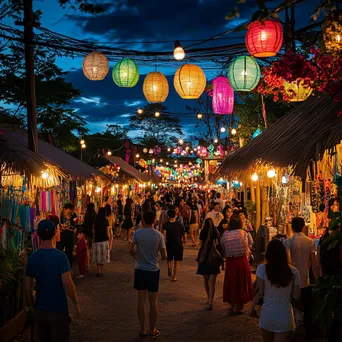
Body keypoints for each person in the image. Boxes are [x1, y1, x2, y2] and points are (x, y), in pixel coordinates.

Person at [24, 219, 80, 342]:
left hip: (41, 309)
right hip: (58, 310)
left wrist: (33, 306)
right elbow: (68, 283)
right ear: (55, 234)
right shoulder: (61, 257)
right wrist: (76, 303)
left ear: (38, 235)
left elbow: (27, 288)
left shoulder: (33, 258)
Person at [249, 239, 301, 342]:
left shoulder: (262, 269)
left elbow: (260, 293)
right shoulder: (294, 272)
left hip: (267, 314)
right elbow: (296, 296)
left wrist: (251, 307)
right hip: (285, 314)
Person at [129, 211, 167, 339]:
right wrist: (156, 258)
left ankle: (143, 329)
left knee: (141, 301)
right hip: (153, 270)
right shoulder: (159, 235)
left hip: (140, 269)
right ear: (154, 221)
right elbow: (164, 255)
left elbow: (130, 249)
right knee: (153, 302)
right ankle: (152, 329)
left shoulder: (137, 233)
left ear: (143, 221)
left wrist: (136, 256)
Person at [285, 217, 317, 338]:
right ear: (304, 227)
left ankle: (290, 331)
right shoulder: (310, 242)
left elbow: (288, 262)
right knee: (308, 308)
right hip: (305, 279)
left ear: (292, 228)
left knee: (290, 305)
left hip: (292, 280)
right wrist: (317, 278)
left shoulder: (288, 242)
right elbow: (313, 262)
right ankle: (309, 333)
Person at [220, 216, 253, 314]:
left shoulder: (225, 235)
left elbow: (223, 247)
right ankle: (239, 306)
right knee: (242, 282)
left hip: (230, 261)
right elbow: (250, 244)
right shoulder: (244, 233)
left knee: (232, 282)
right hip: (242, 260)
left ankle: (233, 303)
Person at [196, 218, 220, 311]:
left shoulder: (203, 232)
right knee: (212, 282)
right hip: (214, 258)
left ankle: (208, 297)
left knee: (206, 280)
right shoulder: (215, 232)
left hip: (205, 258)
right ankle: (211, 301)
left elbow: (201, 245)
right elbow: (217, 244)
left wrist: (199, 256)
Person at [162, 209, 186, 281]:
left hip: (169, 244)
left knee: (168, 259)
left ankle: (170, 269)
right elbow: (184, 234)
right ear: (175, 215)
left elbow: (164, 234)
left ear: (168, 216)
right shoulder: (179, 224)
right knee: (177, 261)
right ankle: (174, 277)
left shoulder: (166, 225)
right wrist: (184, 241)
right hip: (178, 244)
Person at [91, 207, 110, 277]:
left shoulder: (96, 220)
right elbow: (108, 232)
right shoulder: (106, 221)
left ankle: (99, 271)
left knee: (98, 256)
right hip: (104, 240)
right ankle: (101, 270)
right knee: (103, 256)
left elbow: (93, 230)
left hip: (97, 240)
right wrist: (109, 238)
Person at [60, 203, 77, 267]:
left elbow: (75, 225)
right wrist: (62, 227)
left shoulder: (73, 215)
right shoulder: (62, 215)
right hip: (63, 234)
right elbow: (60, 223)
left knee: (69, 251)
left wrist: (71, 228)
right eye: (70, 209)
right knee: (61, 250)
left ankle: (69, 266)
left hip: (70, 234)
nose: (72, 211)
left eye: (72, 209)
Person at [82, 203, 97, 270]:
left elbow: (84, 224)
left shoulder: (87, 215)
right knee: (91, 248)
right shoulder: (95, 215)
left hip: (87, 233)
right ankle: (93, 262)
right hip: (93, 233)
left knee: (87, 249)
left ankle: (88, 265)